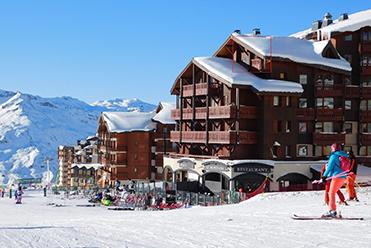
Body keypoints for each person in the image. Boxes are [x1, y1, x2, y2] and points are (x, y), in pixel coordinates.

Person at [322, 143, 348, 218]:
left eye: (331, 148)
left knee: (331, 193)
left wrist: (324, 176)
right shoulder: (343, 155)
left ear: (333, 149)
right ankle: (332, 210)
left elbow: (330, 167)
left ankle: (332, 211)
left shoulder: (334, 156)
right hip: (343, 176)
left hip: (337, 176)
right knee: (332, 192)